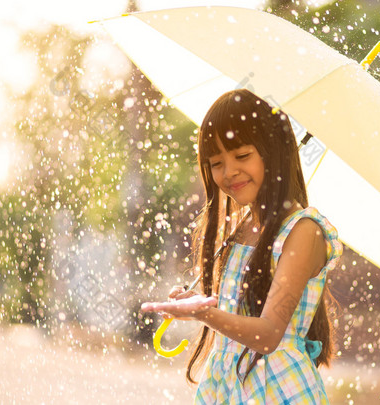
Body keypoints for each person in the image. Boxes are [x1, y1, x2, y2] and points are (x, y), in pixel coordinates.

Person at [141, 88, 343, 404]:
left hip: (277, 388)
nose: (229, 171)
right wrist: (199, 302)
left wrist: (203, 312)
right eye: (216, 162)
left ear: (274, 152)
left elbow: (267, 333)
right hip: (228, 385)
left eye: (242, 156)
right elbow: (239, 310)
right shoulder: (240, 228)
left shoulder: (303, 231)